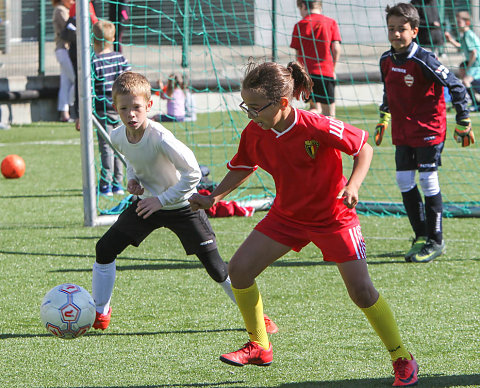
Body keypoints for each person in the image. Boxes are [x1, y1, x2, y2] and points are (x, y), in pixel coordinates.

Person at [189, 61, 418, 387]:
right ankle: (259, 345)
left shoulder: (316, 125)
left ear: (283, 103)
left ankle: (402, 359)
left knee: (362, 292)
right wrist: (213, 197)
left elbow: (363, 148)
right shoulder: (255, 132)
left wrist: (353, 186)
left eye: (255, 107)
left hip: (334, 218)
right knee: (238, 270)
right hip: (287, 217)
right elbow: (243, 165)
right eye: (245, 106)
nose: (249, 113)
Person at [91, 71, 278, 334]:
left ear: (149, 106)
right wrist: (133, 180)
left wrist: (163, 200)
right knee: (104, 249)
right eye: (124, 108)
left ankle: (258, 317)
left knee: (217, 269)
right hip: (147, 205)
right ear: (115, 107)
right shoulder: (118, 135)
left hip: (182, 207)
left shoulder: (161, 137)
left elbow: (193, 173)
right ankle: (100, 311)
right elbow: (134, 163)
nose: (131, 114)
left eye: (136, 107)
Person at [375, 3, 474, 263]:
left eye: (402, 29)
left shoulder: (424, 59)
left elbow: (456, 86)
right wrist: (384, 115)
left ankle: (436, 240)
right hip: (402, 131)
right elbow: (389, 90)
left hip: (429, 129)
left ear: (415, 31)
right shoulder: (386, 60)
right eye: (391, 29)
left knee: (428, 181)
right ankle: (421, 236)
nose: (396, 34)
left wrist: (463, 119)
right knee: (404, 181)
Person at [91, 20, 131, 196]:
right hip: (121, 110)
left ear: (93, 39)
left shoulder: (94, 62)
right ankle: (118, 184)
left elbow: (90, 90)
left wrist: (84, 113)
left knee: (107, 147)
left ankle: (105, 184)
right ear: (113, 38)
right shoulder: (120, 58)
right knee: (120, 145)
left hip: (102, 111)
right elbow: (130, 80)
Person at [290, 0, 341, 117]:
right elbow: (336, 48)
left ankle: (312, 133)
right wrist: (333, 69)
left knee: (314, 109)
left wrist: (301, 73)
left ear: (303, 6)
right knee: (329, 115)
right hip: (326, 73)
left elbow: (298, 53)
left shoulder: (299, 25)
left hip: (307, 75)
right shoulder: (330, 22)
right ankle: (329, 134)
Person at [444, 11, 480, 110]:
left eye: (459, 22)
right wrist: (451, 40)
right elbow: (461, 47)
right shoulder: (464, 35)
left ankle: (475, 104)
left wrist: (468, 67)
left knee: (466, 80)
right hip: (473, 62)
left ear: (467, 23)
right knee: (465, 80)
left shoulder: (468, 34)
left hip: (477, 63)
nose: (457, 25)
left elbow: (474, 52)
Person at [52, 0, 75, 122]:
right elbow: (68, 30)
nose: (73, 2)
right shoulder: (60, 10)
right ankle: (73, 104)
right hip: (63, 50)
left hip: (65, 50)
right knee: (77, 80)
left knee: (65, 83)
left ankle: (64, 114)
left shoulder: (65, 9)